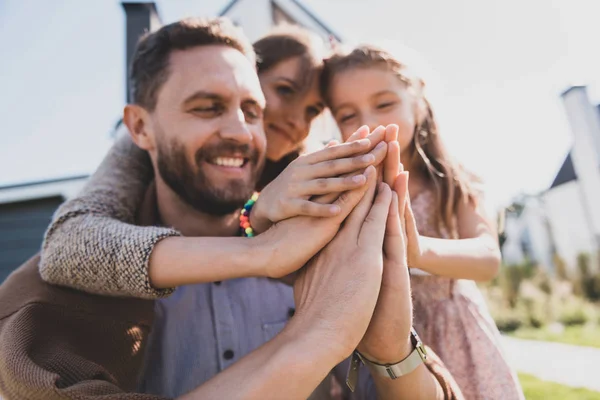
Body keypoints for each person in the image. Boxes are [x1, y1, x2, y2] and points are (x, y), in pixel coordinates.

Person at [0, 17, 462, 399]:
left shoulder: (329, 237)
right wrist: (312, 337)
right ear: (140, 128)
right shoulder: (76, 278)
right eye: (206, 107)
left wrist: (390, 354)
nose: (242, 133)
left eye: (252, 110)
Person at [320, 44, 524, 400]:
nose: (370, 122)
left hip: (458, 336)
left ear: (417, 102)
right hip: (382, 344)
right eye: (348, 115)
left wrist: (417, 250)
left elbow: (488, 257)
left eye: (384, 104)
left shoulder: (451, 181)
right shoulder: (349, 189)